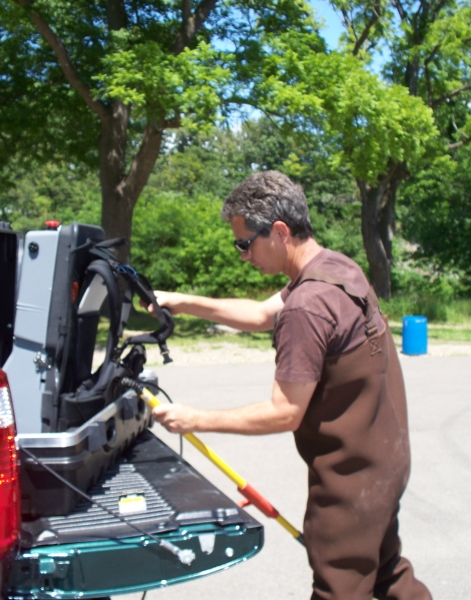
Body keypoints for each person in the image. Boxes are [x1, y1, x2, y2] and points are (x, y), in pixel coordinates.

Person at [149, 171, 432, 600]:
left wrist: (196, 418)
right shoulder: (334, 268)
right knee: (386, 574)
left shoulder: (307, 306)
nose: (242, 255)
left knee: (339, 587)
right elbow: (262, 314)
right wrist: (179, 301)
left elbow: (285, 411)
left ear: (279, 232)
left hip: (351, 484)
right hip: (385, 465)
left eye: (245, 243)